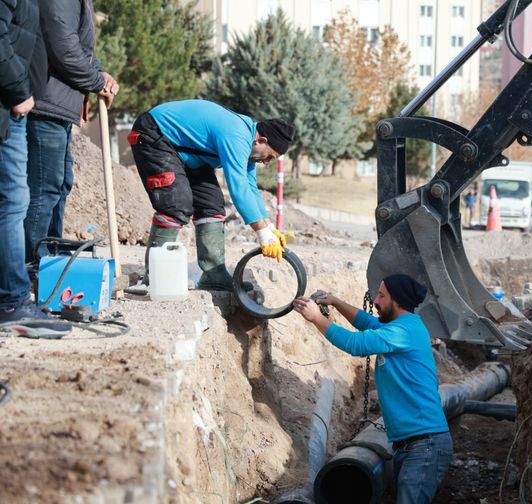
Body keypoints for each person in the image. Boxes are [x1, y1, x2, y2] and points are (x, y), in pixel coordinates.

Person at [293, 274, 452, 504]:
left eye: (381, 295)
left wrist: (317, 318)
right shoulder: (403, 325)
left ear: (396, 301)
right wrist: (335, 301)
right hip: (414, 444)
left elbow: (356, 344)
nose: (376, 300)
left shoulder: (404, 331)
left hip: (424, 446)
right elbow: (369, 323)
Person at [127, 99, 296, 292]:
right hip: (154, 134)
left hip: (185, 151)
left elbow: (250, 187)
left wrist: (269, 226)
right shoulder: (236, 135)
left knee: (212, 205)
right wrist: (261, 233)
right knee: (175, 204)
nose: (266, 162)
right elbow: (238, 188)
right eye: (269, 156)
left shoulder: (249, 142)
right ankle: (153, 278)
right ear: (261, 141)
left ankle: (213, 276)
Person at [24, 0, 118, 264]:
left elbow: (81, 48)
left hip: (60, 106)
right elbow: (63, 49)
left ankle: (51, 255)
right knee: (45, 188)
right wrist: (97, 81)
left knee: (60, 183)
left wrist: (101, 72)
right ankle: (33, 263)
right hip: (46, 104)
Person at [0, 0, 70, 337]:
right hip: (9, 105)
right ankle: (13, 301)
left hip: (18, 105)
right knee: (13, 202)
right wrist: (19, 91)